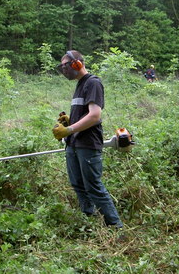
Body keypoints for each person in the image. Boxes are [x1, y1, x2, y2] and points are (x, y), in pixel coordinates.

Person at [52, 50, 124, 232]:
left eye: (66, 66)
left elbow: (94, 116)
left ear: (77, 64)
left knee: (93, 187)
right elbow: (85, 113)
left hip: (87, 145)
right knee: (78, 185)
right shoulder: (79, 85)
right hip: (74, 144)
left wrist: (68, 129)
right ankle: (90, 223)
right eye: (62, 68)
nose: (65, 71)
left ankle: (117, 229)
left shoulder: (92, 83)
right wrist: (71, 120)